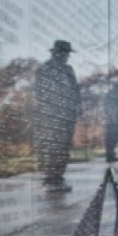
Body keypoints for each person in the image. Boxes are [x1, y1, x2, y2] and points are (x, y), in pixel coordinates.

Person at [33, 40, 81, 192]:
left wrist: (77, 107)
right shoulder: (44, 69)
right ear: (56, 53)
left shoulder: (69, 70)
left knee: (64, 147)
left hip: (68, 114)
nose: (67, 56)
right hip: (51, 115)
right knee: (52, 146)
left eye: (67, 54)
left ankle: (58, 178)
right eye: (65, 53)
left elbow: (75, 90)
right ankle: (49, 179)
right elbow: (39, 92)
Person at [103, 82, 118, 163]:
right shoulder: (109, 97)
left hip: (117, 121)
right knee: (110, 138)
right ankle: (109, 155)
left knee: (115, 138)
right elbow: (109, 109)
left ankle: (111, 154)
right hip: (111, 121)